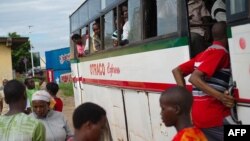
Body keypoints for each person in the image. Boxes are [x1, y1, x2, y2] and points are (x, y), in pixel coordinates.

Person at [172, 22, 235, 141]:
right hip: (215, 117)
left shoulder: (203, 54)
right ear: (227, 35)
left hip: (199, 116)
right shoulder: (220, 53)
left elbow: (177, 71)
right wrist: (221, 97)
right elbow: (194, 78)